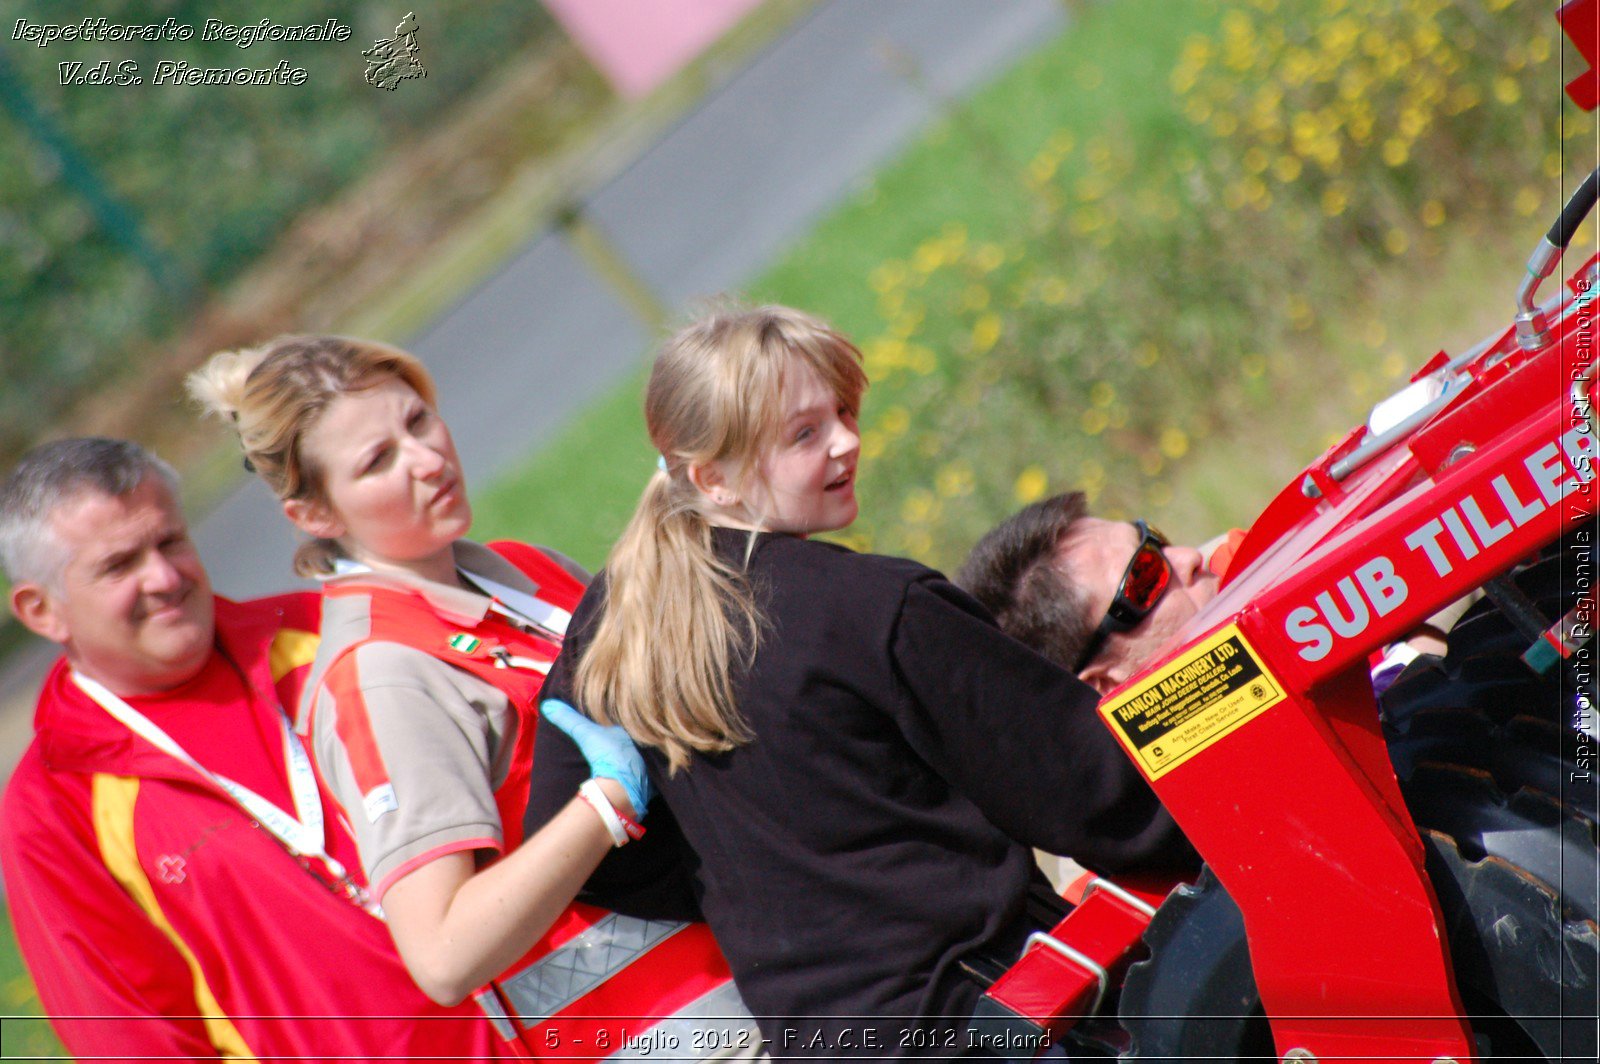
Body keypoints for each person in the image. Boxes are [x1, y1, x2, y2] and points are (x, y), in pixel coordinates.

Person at [528, 305, 1194, 1058]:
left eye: (844, 410)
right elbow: (1095, 793)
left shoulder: (610, 629)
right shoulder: (872, 607)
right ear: (713, 477)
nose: (848, 442)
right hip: (993, 1018)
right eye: (805, 434)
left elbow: (606, 867)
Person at [188, 335, 749, 1060]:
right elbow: (444, 955)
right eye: (377, 462)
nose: (426, 461)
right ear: (316, 515)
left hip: (767, 975)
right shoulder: (381, 676)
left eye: (418, 422)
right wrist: (605, 804)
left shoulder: (523, 570)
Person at [0, 437, 511, 1060]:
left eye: (169, 542)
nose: (163, 578)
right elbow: (134, 1043)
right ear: (40, 610)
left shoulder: (334, 635)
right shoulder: (53, 812)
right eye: (118, 566)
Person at [956, 492, 1461, 696]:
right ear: (1104, 685)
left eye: (1153, 541)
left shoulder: (1242, 572)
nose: (1187, 559)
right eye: (1147, 576)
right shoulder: (1151, 849)